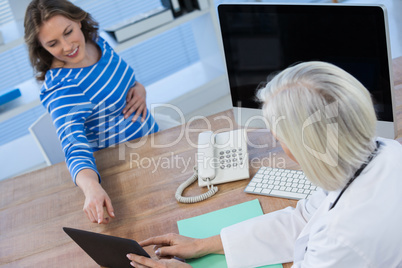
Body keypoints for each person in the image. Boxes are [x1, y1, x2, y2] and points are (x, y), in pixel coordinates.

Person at [126, 61, 402, 267]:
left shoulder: (342, 239)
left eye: (279, 137)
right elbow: (304, 219)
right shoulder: (383, 151)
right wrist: (204, 243)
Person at [24, 0, 159, 225]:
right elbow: (73, 146)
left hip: (154, 145)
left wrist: (139, 89)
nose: (67, 47)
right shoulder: (63, 89)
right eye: (53, 43)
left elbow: (124, 82)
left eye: (68, 32)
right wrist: (91, 188)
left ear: (78, 20)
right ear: (41, 47)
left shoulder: (98, 43)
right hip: (127, 170)